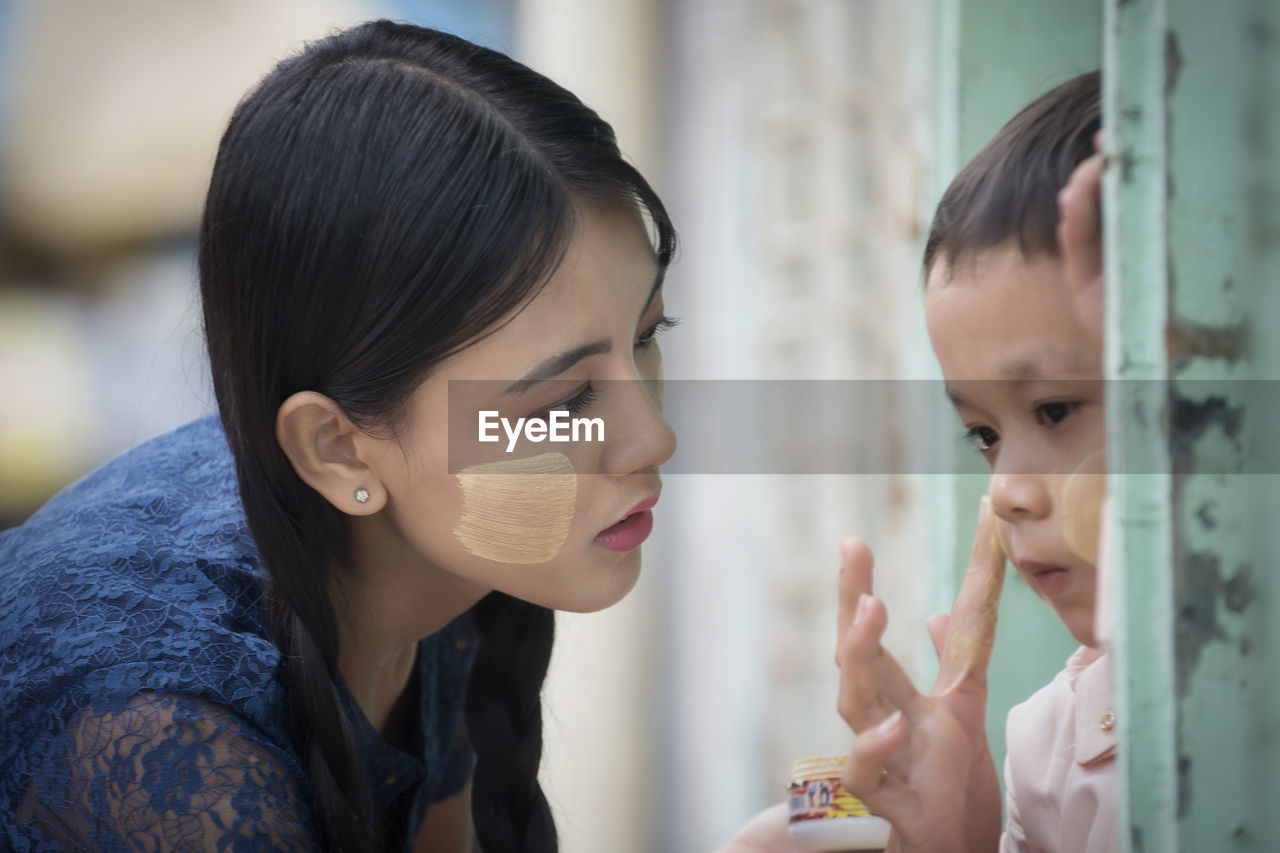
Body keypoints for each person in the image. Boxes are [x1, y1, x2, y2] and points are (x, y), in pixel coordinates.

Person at [0, 20, 686, 851]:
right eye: (565, 397)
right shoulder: (162, 743)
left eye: (648, 332)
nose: (653, 437)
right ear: (336, 448)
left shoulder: (429, 546)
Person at [833, 70, 1113, 852]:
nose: (1007, 493)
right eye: (984, 434)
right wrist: (948, 829)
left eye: (1055, 410)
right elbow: (813, 808)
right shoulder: (1045, 746)